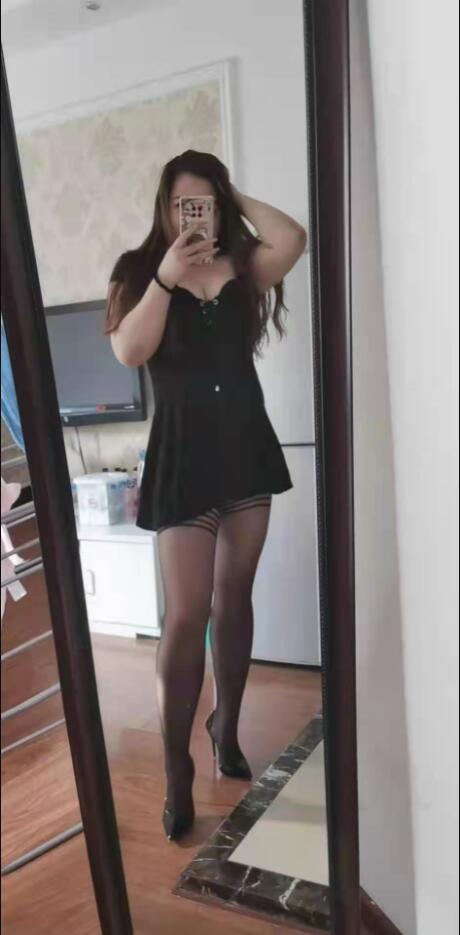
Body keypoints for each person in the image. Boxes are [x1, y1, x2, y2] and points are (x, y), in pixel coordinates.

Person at [104, 150, 307, 841]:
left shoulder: (242, 265)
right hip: (185, 458)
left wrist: (235, 196)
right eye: (180, 204)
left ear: (217, 205)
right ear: (162, 208)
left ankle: (227, 728)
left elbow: (294, 238)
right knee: (187, 614)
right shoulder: (139, 271)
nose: (190, 215)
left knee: (234, 597)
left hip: (245, 449)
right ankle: (176, 767)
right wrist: (168, 275)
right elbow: (130, 351)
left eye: (204, 203)